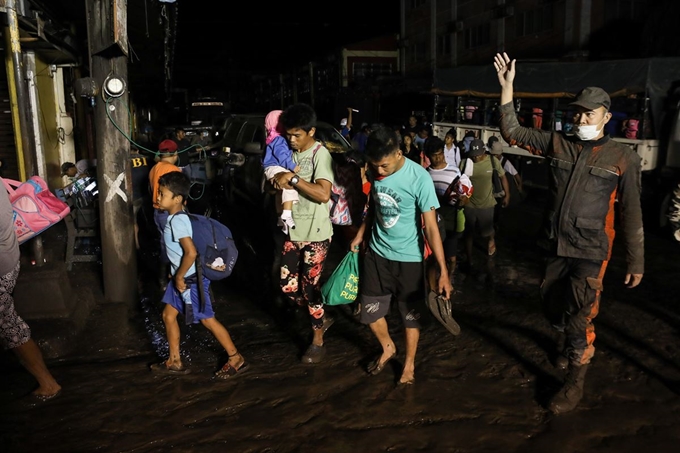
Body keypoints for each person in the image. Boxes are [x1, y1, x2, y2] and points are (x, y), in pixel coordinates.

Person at [494, 52, 644, 414]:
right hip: (553, 244)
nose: (580, 117)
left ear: (606, 118)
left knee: (580, 314)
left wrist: (636, 260)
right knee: (552, 305)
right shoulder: (557, 143)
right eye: (576, 112)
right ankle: (567, 344)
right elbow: (512, 131)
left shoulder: (622, 157)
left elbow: (632, 211)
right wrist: (508, 89)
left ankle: (575, 380)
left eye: (588, 113)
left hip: (592, 250)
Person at [349, 126, 452, 386]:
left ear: (398, 153)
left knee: (410, 316)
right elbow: (374, 204)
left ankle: (409, 364)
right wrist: (362, 233)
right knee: (370, 312)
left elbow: (430, 227)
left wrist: (443, 270)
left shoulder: (419, 178)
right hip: (376, 253)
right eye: (375, 167)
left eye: (383, 166)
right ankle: (388, 347)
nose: (379, 172)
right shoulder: (374, 170)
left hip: (409, 259)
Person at [151, 171, 248, 378]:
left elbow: (191, 252)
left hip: (189, 281)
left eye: (163, 194)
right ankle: (174, 361)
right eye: (159, 193)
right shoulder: (177, 217)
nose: (158, 197)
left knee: (207, 320)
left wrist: (179, 277)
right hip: (182, 277)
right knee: (168, 315)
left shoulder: (177, 221)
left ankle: (235, 357)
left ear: (177, 199)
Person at [271, 103, 335, 364]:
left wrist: (294, 179)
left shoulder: (321, 155)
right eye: (288, 134)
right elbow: (274, 185)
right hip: (293, 231)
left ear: (311, 132)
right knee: (288, 287)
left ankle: (317, 340)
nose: (291, 139)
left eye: (297, 135)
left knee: (310, 287)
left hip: (317, 234)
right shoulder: (286, 153)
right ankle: (319, 312)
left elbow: (323, 193)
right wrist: (276, 180)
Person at [1, 184, 62, 401]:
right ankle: (47, 383)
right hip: (7, 259)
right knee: (9, 324)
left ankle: (48, 383)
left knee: (9, 325)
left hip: (2, 264)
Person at [424, 136, 473, 288]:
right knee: (431, 257)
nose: (438, 158)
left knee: (451, 257)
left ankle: (447, 279)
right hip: (432, 218)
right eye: (434, 155)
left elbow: (466, 196)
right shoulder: (424, 174)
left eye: (440, 153)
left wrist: (464, 200)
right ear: (428, 155)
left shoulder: (455, 172)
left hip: (451, 218)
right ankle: (432, 289)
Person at [460, 138, 509, 268]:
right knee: (468, 232)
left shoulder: (492, 162)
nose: (475, 158)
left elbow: (502, 176)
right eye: (473, 155)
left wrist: (507, 195)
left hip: (487, 205)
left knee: (486, 232)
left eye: (478, 155)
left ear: (484, 152)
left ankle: (491, 239)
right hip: (469, 204)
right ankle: (469, 259)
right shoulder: (465, 163)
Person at [148, 139, 181, 287]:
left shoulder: (154, 168)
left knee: (165, 243)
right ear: (175, 153)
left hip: (157, 212)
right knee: (175, 245)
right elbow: (176, 197)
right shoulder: (173, 170)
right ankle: (171, 278)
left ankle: (162, 279)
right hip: (169, 213)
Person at [262, 109, 300, 233]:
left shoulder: (272, 138)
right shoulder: (280, 140)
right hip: (276, 168)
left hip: (270, 168)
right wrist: (292, 166)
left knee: (280, 194)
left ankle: (280, 217)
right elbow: (282, 155)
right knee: (289, 186)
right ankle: (287, 214)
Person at [487, 135, 523, 230]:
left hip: (500, 190)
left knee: (498, 209)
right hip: (491, 188)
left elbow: (515, 175)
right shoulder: (488, 159)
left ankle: (496, 224)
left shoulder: (505, 162)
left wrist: (519, 185)